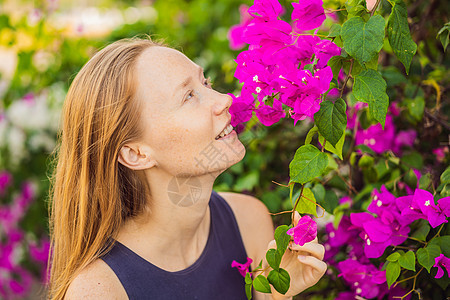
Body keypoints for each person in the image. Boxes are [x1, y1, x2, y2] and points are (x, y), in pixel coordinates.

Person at [48, 37, 326, 300]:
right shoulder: (99, 290)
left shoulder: (248, 220)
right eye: (189, 96)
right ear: (135, 154)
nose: (224, 99)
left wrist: (281, 293)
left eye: (205, 82)